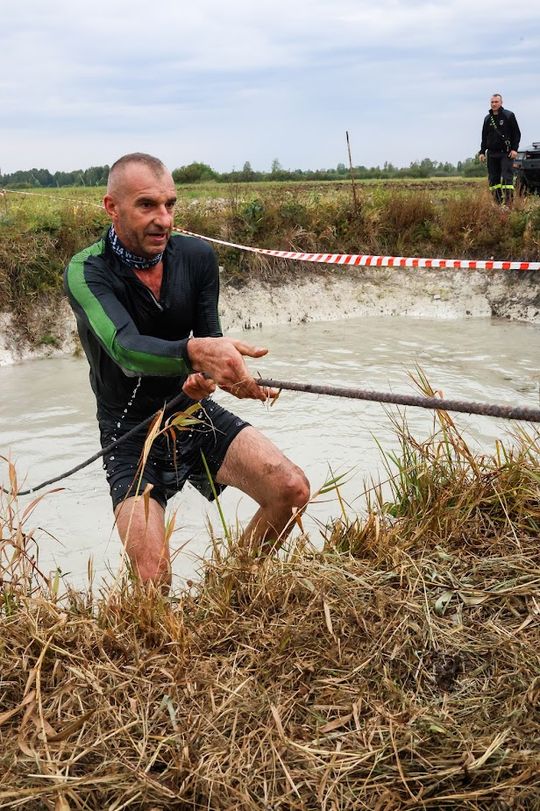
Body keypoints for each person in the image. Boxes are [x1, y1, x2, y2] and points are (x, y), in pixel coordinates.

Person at [64, 152, 310, 586]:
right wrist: (197, 355)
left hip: (192, 410)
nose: (163, 219)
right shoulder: (87, 270)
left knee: (291, 490)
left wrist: (225, 378)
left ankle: (232, 589)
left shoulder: (197, 257)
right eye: (147, 205)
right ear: (111, 207)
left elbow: (209, 339)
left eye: (170, 204)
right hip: (129, 431)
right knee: (153, 576)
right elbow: (125, 350)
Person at [479, 93, 521, 204]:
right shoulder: (487, 118)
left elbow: (517, 134)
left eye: (496, 102)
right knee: (493, 180)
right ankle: (498, 204)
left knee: (507, 179)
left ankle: (508, 204)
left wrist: (514, 149)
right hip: (491, 154)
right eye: (492, 102)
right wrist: (482, 152)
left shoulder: (509, 115)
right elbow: (484, 137)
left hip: (506, 153)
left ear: (501, 103)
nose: (494, 104)